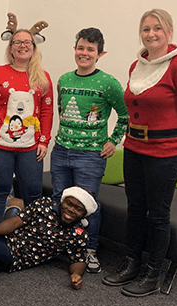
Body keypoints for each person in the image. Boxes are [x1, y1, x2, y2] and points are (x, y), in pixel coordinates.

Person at [102, 9, 177, 297]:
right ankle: (132, 264)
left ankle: (153, 273)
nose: (151, 34)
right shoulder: (138, 65)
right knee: (135, 209)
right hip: (134, 148)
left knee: (158, 214)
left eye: (157, 28)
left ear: (169, 32)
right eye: (145, 29)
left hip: (165, 153)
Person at [50, 28, 129, 274]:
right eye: (81, 48)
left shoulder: (108, 84)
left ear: (100, 54)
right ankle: (61, 244)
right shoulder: (63, 80)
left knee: (88, 204)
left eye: (90, 50)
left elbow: (125, 114)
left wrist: (114, 140)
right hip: (61, 150)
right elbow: (62, 111)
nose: (84, 53)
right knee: (59, 199)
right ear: (75, 49)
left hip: (90, 155)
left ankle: (89, 250)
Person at [0, 15, 53, 225]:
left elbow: (47, 112)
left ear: (34, 47)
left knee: (32, 193)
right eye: (17, 42)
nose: (22, 46)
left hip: (31, 147)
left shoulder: (42, 77)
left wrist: (44, 141)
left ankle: (32, 238)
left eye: (27, 42)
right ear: (11, 48)